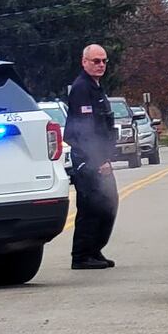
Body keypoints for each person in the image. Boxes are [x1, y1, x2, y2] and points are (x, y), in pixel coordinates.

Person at [64, 43, 118, 269]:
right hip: (89, 159)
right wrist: (98, 161)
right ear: (84, 62)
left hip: (101, 157)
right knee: (91, 208)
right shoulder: (82, 88)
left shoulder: (96, 87)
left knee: (107, 205)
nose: (101, 65)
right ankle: (81, 255)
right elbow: (84, 131)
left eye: (104, 61)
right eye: (96, 61)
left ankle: (94, 250)